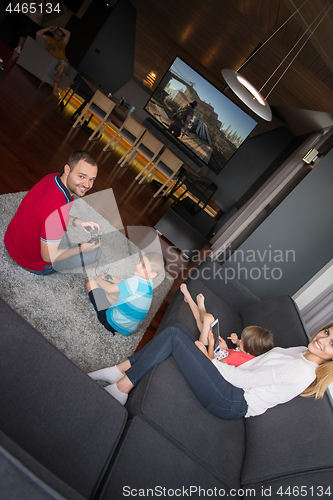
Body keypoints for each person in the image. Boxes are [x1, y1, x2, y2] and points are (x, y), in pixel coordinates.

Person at [88, 322, 333, 419]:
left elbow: (243, 380)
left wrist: (210, 360)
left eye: (331, 343)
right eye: (327, 332)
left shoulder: (301, 370)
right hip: (233, 384)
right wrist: (220, 356)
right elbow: (252, 365)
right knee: (178, 330)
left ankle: (121, 387)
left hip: (231, 400)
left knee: (174, 336)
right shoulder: (302, 349)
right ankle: (118, 370)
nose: (323, 339)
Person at [4, 150, 101, 275]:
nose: (87, 184)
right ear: (67, 170)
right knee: (95, 254)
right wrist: (82, 249)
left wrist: (78, 222)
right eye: (81, 176)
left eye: (91, 179)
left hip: (11, 240)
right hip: (30, 262)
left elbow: (47, 214)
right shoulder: (57, 213)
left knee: (63, 235)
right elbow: (48, 257)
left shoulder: (53, 177)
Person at [179, 283, 274, 365]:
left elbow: (214, 365)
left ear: (248, 353)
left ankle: (200, 307)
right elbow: (240, 349)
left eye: (241, 342)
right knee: (207, 323)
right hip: (219, 350)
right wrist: (229, 346)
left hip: (208, 353)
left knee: (208, 319)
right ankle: (189, 300)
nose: (239, 341)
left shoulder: (238, 358)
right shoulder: (250, 354)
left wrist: (211, 345)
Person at [85, 252, 165, 336]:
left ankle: (102, 292)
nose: (138, 265)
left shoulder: (135, 281)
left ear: (152, 274)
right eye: (140, 261)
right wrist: (118, 281)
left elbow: (109, 288)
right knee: (119, 292)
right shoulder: (149, 286)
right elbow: (130, 289)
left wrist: (99, 279)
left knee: (90, 283)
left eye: (143, 266)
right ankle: (106, 295)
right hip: (129, 328)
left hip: (112, 323)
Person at [36, 25, 71, 96]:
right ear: (54, 33)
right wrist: (48, 28)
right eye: (57, 34)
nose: (58, 36)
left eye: (60, 36)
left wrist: (58, 28)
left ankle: (57, 81)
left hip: (64, 62)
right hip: (54, 62)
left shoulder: (62, 43)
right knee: (60, 73)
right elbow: (38, 33)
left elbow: (68, 34)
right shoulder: (49, 39)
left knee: (63, 63)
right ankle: (55, 90)